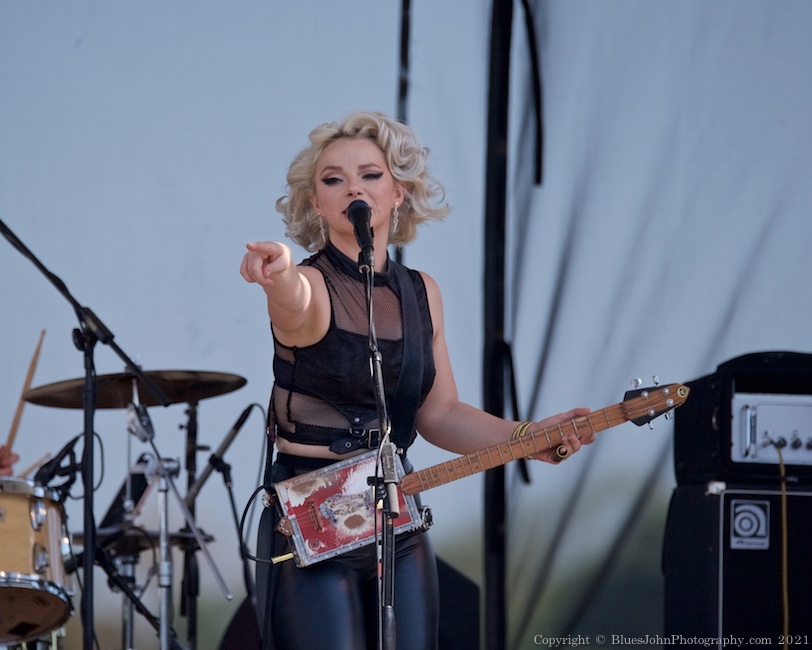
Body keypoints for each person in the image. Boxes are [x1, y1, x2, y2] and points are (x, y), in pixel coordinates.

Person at [240, 110, 595, 650]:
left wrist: (530, 436)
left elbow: (440, 414)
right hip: (311, 525)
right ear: (317, 203)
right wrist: (281, 271)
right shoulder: (313, 281)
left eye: (370, 175)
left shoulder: (421, 292)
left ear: (398, 193)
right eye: (332, 179)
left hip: (394, 519)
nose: (352, 187)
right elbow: (294, 301)